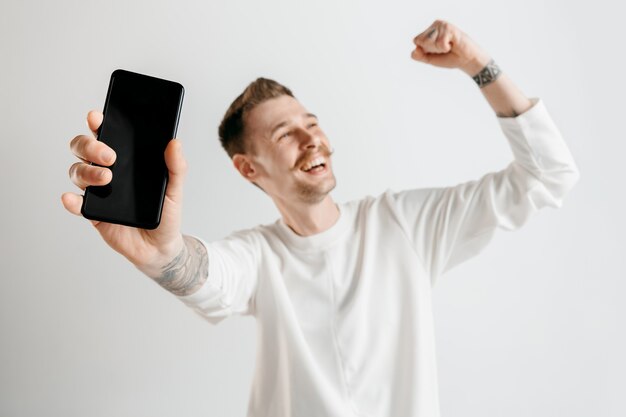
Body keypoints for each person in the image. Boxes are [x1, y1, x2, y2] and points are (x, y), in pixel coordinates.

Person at [62, 20, 579, 417]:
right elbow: (207, 277)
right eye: (286, 134)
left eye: (312, 124)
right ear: (248, 169)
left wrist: (477, 62)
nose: (312, 140)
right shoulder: (258, 257)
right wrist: (164, 255)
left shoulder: (404, 224)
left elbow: (548, 174)